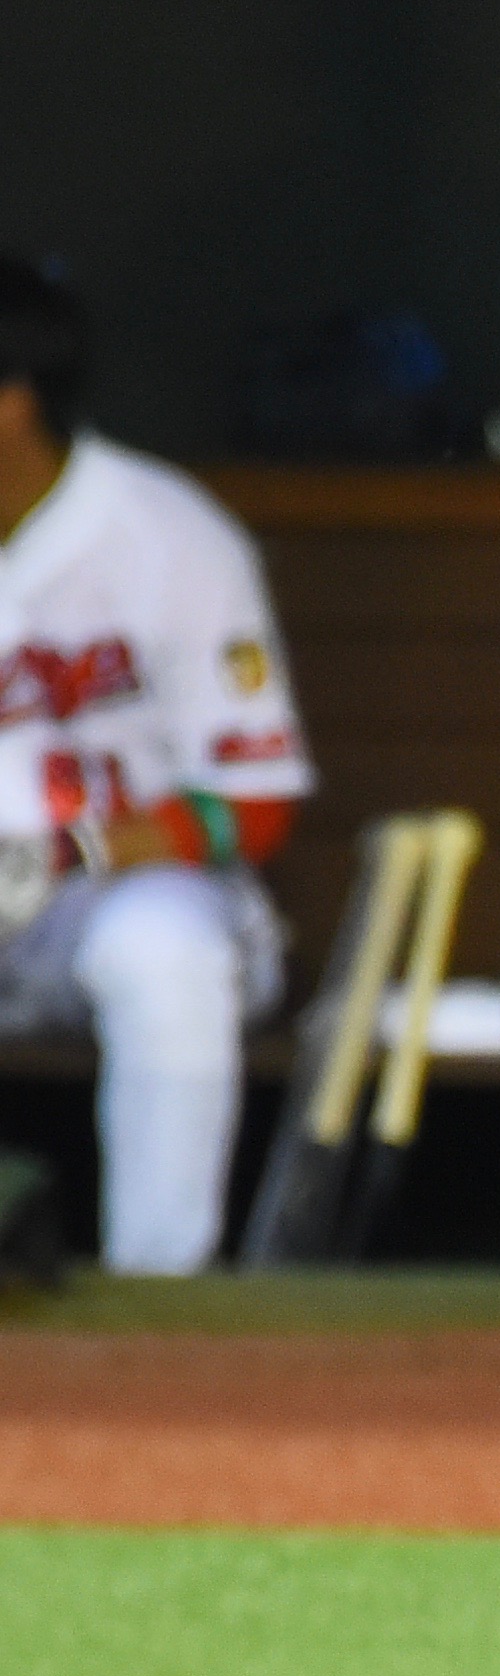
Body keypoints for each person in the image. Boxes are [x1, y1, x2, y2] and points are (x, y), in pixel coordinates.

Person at [0, 260, 314, 1273]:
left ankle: (158, 1288)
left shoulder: (170, 536)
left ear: (12, 404)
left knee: (163, 954)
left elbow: (256, 800)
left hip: (117, 888)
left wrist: (72, 853)